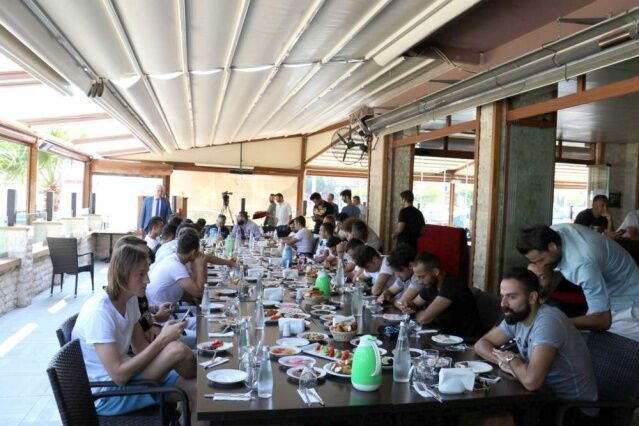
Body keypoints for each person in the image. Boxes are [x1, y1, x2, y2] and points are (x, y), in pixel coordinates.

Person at [71, 244, 196, 417]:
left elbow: (140, 348)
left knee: (199, 390)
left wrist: (166, 341)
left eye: (147, 272)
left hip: (131, 378)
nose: (147, 280)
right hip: (108, 394)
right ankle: (206, 373)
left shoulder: (130, 300)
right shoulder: (99, 312)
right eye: (141, 274)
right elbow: (119, 376)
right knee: (177, 350)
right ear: (122, 275)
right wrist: (163, 340)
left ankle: (203, 376)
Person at [474, 267, 597, 420]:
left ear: (532, 297)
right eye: (502, 296)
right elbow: (481, 344)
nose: (503, 304)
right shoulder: (517, 316)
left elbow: (532, 382)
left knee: (493, 417)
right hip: (541, 397)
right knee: (483, 411)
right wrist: (503, 362)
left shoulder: (548, 322)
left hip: (572, 409)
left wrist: (511, 359)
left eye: (512, 297)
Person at [517, 223, 639, 341]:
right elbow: (558, 270)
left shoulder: (581, 264)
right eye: (534, 262)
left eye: (541, 260)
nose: (539, 266)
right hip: (611, 289)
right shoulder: (555, 232)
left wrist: (552, 322)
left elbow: (604, 320)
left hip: (627, 303)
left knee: (611, 349)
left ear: (552, 246)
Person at [402, 252, 481, 338]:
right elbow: (415, 304)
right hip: (442, 335)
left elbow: (424, 319)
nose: (419, 281)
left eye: (421, 277)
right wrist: (408, 306)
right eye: (417, 277)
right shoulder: (431, 284)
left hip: (464, 339)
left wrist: (416, 313)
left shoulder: (452, 284)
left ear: (435, 272)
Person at [147, 228, 207, 309]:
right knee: (204, 312)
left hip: (163, 306)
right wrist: (200, 267)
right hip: (160, 310)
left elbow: (194, 291)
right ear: (193, 252)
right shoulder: (175, 266)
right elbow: (199, 293)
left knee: (199, 307)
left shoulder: (173, 259)